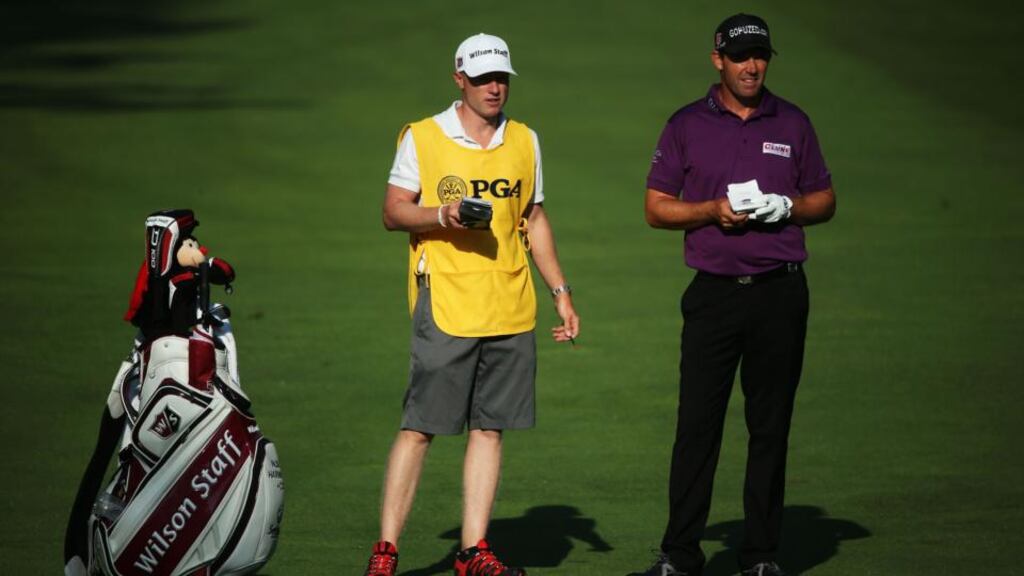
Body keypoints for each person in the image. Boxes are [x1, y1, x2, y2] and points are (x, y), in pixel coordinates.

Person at [364, 32, 580, 576]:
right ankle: (386, 552)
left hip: (510, 303)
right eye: (483, 78)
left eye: (501, 77)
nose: (494, 87)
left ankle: (473, 552)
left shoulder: (525, 140)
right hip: (447, 302)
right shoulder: (423, 136)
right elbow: (393, 211)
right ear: (459, 78)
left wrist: (561, 292)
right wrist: (445, 215)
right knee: (420, 426)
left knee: (490, 428)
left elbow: (533, 217)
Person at [629, 13, 836, 576]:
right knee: (697, 425)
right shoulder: (687, 124)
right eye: (742, 56)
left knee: (770, 426)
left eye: (761, 56)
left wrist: (787, 206)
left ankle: (761, 558)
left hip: (780, 295)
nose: (753, 66)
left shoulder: (791, 121)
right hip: (713, 298)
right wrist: (710, 210)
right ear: (718, 59)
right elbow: (656, 207)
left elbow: (824, 199)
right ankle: (680, 557)